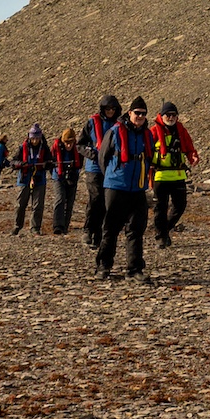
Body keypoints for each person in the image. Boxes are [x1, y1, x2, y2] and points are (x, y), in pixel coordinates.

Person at [94, 97, 151, 281]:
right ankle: (104, 266)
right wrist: (112, 176)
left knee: (136, 229)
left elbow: (149, 159)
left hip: (137, 189)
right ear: (129, 113)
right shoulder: (115, 131)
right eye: (137, 113)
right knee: (110, 227)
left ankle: (134, 269)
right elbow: (103, 157)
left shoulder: (147, 135)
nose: (140, 116)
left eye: (143, 113)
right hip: (116, 186)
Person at [147, 102, 196, 247]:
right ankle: (161, 238)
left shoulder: (181, 131)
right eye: (168, 115)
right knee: (160, 208)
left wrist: (193, 156)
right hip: (160, 176)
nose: (171, 117)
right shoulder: (154, 131)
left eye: (174, 115)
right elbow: (147, 150)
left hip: (178, 175)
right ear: (161, 116)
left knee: (180, 206)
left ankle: (163, 231)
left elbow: (189, 148)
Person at [78, 97, 124, 250]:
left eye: (113, 109)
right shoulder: (92, 123)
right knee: (96, 197)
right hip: (95, 168)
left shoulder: (120, 124)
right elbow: (80, 144)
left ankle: (99, 234)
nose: (110, 111)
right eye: (107, 109)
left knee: (107, 201)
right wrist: (90, 154)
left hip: (111, 168)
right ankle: (88, 229)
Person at [12, 125, 52, 236]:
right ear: (29, 137)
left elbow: (50, 161)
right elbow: (13, 161)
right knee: (20, 204)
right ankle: (17, 226)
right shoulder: (22, 148)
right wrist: (21, 164)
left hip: (39, 178)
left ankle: (35, 227)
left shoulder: (44, 148)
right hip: (24, 178)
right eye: (33, 138)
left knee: (38, 205)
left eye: (37, 138)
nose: (35, 141)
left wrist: (47, 164)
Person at [49, 124, 81, 234]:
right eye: (67, 143)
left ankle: (65, 226)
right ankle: (58, 226)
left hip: (72, 177)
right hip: (58, 177)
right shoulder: (56, 148)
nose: (68, 145)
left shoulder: (77, 149)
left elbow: (80, 164)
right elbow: (50, 162)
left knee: (70, 202)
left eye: (71, 143)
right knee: (60, 199)